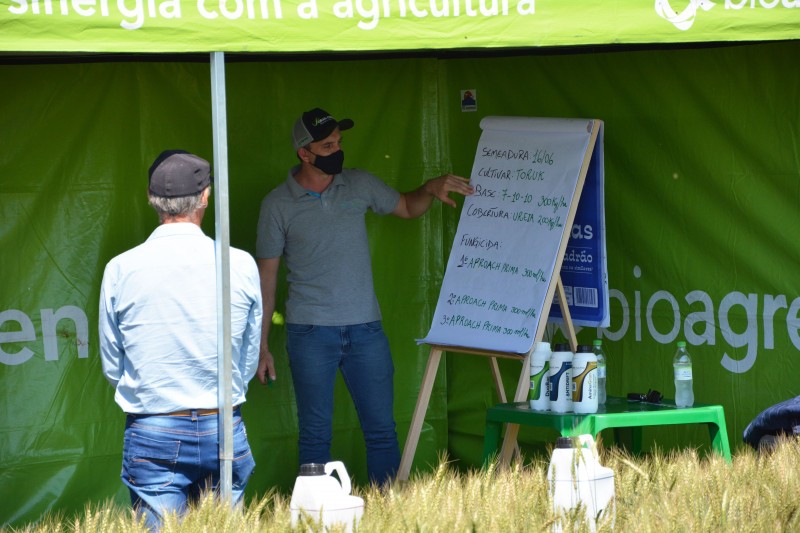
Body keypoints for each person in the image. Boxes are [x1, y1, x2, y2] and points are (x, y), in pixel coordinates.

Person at [255, 107, 474, 485]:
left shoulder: (359, 184)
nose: (337, 150)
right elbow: (266, 279)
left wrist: (429, 188)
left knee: (382, 431)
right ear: (304, 153)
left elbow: (407, 207)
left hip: (366, 329)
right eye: (327, 146)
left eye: (339, 142)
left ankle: (388, 511)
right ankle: (316, 514)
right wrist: (261, 345)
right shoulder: (277, 205)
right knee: (315, 436)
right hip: (310, 332)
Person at [99, 150, 263, 530]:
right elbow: (248, 356)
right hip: (222, 422)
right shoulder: (239, 263)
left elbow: (112, 363)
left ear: (150, 198)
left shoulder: (121, 268)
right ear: (206, 196)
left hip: (154, 425)